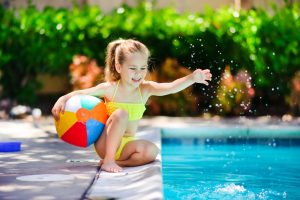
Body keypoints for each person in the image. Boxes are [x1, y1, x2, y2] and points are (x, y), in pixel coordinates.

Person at [52, 39, 212, 173]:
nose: (138, 73)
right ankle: (108, 160)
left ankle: (120, 164)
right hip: (105, 144)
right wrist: (62, 99)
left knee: (153, 151)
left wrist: (191, 78)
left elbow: (170, 87)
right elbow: (82, 93)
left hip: (127, 146)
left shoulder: (145, 89)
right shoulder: (111, 88)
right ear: (118, 67)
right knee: (121, 114)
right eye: (133, 68)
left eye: (143, 68)